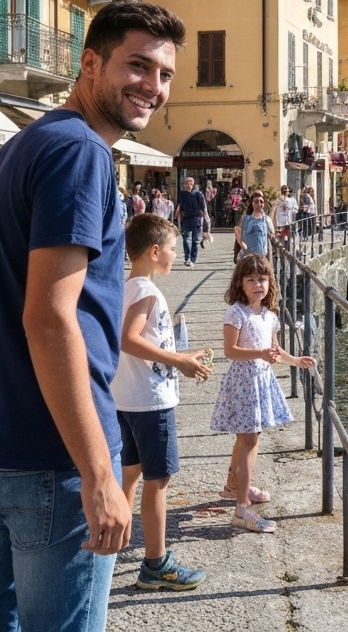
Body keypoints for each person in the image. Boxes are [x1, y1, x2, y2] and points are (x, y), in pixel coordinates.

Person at [0, 0, 185, 632]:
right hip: (50, 453)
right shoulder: (81, 154)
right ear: (89, 62)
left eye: (164, 75)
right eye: (137, 66)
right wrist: (101, 474)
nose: (152, 87)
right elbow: (50, 318)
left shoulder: (25, 145)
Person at [114, 214, 212, 591]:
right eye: (172, 248)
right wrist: (179, 363)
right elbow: (130, 339)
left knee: (132, 473)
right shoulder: (146, 292)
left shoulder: (128, 287)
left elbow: (142, 342)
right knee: (159, 481)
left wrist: (185, 353)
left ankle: (116, 541)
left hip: (128, 397)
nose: (176, 253)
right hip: (150, 403)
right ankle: (156, 563)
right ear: (155, 252)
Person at [210, 254, 316, 533]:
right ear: (240, 284)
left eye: (263, 279)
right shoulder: (236, 313)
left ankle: (234, 485)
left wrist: (295, 360)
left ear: (270, 282)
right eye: (251, 279)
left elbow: (274, 351)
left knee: (247, 438)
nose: (258, 284)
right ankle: (242, 508)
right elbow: (230, 351)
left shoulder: (269, 316)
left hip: (260, 380)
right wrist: (259, 354)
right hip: (243, 381)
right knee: (249, 441)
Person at [174, 176, 207, 268]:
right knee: (186, 239)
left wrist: (204, 218)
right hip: (186, 218)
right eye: (187, 183)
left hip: (196, 219)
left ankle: (193, 259)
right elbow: (179, 206)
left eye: (191, 183)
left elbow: (203, 207)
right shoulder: (182, 194)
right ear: (184, 184)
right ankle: (187, 258)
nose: (189, 185)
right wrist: (177, 217)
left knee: (195, 240)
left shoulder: (198, 194)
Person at [234, 190, 274, 261]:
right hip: (249, 255)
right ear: (252, 203)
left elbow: (272, 235)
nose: (259, 204)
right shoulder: (245, 218)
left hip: (263, 254)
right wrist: (241, 244)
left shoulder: (267, 219)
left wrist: (271, 235)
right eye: (256, 202)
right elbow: (238, 231)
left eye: (261, 202)